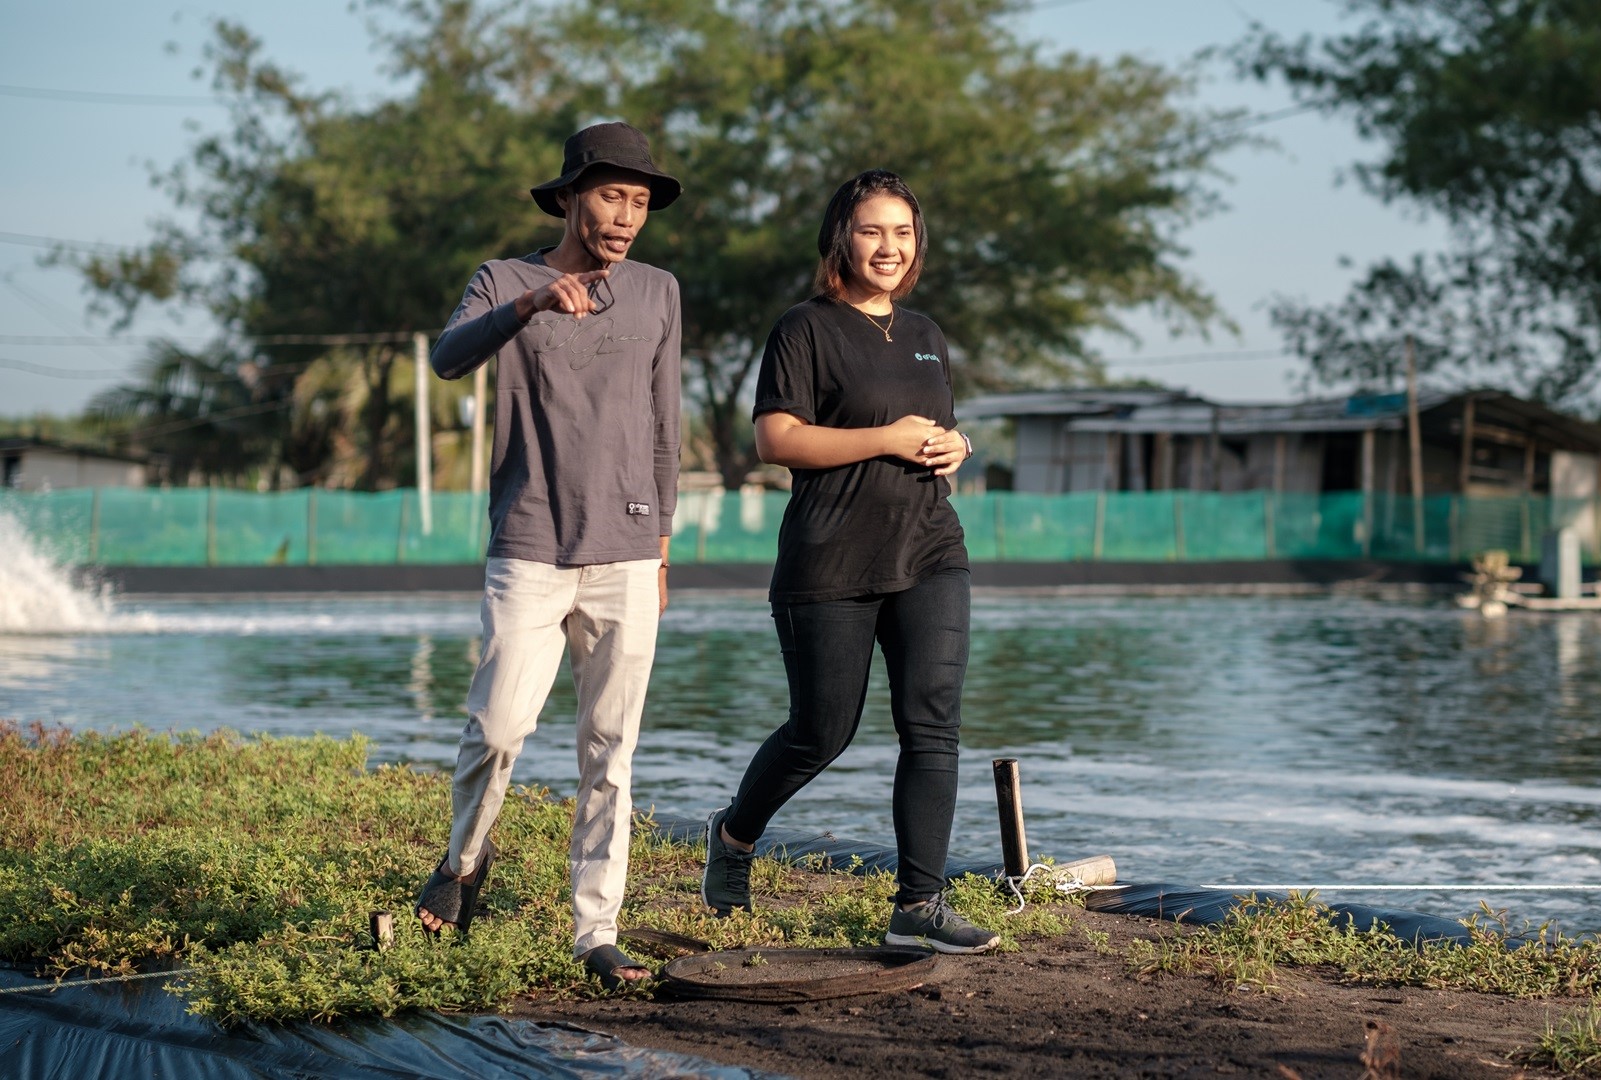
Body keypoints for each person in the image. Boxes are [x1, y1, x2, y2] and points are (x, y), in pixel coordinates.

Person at [700, 169, 998, 953]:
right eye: (872, 230)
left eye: (902, 233)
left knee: (932, 726)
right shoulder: (804, 327)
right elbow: (776, 440)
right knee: (820, 731)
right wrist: (887, 438)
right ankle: (733, 836)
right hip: (828, 560)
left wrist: (955, 445)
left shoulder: (927, 334)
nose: (888, 247)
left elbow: (934, 432)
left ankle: (918, 907)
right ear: (842, 237)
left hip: (930, 549)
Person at [415, 121, 682, 991]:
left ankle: (595, 930)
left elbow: (664, 425)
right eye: (611, 196)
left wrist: (661, 546)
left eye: (639, 202)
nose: (625, 216)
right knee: (496, 729)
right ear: (569, 197)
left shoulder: (657, 293)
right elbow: (449, 359)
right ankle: (462, 861)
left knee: (611, 748)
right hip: (528, 545)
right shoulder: (505, 280)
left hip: (628, 553)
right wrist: (529, 305)